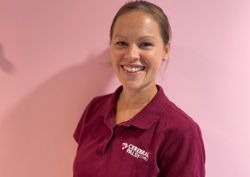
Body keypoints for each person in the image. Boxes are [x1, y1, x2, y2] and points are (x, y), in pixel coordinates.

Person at [73, 1, 206, 177]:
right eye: (121, 43)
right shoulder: (95, 109)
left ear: (165, 50)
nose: (131, 55)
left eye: (145, 44)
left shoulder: (182, 132)